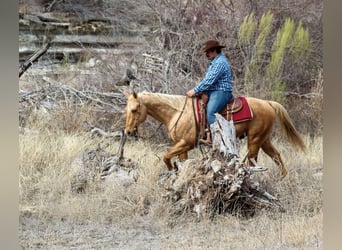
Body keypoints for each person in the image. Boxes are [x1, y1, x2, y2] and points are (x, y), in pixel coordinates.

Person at [187, 39, 233, 143]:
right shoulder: (214, 62)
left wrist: (195, 90)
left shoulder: (220, 62)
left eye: (208, 52)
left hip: (221, 91)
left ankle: (216, 139)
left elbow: (209, 81)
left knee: (211, 112)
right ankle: (205, 134)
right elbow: (208, 81)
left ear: (214, 51)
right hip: (214, 90)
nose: (206, 54)